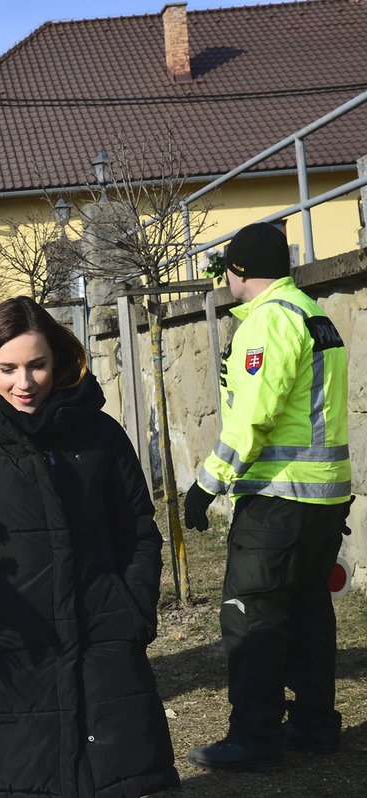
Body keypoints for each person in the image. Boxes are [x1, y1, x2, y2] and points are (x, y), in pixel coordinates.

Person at [0, 297, 179, 798]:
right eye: (8, 368)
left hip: (102, 646)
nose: (24, 382)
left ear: (58, 360)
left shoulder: (101, 436)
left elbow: (138, 531)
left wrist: (133, 611)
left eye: (37, 365)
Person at [183, 222, 351, 772]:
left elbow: (253, 418)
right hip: (324, 498)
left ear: (238, 270)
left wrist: (206, 485)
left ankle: (254, 736)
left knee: (251, 614)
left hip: (279, 498)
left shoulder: (267, 323)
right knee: (306, 609)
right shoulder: (313, 313)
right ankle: (316, 726)